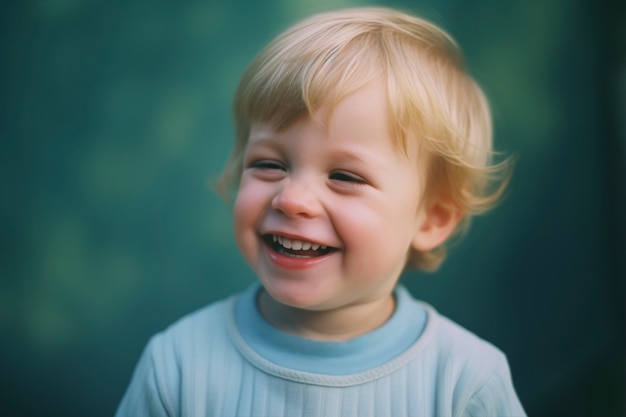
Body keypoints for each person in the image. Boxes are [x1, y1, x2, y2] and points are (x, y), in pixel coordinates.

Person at [115, 7, 526, 417]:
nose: (291, 199)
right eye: (269, 164)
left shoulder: (465, 382)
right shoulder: (177, 365)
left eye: (344, 176)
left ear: (431, 219)